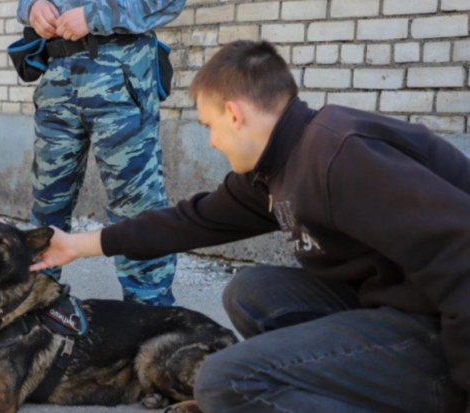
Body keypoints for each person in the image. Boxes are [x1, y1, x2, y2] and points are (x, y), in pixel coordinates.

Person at [31, 40, 469, 413]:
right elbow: (190, 221)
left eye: (210, 126)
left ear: (235, 114)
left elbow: (462, 256)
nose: (212, 142)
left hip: (440, 330)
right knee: (252, 290)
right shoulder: (277, 166)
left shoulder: (338, 156)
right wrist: (78, 246)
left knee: (227, 381)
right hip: (397, 307)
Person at [15, 0, 185, 307]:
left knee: (136, 207)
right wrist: (32, 8)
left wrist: (94, 16)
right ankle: (34, 316)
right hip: (56, 76)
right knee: (46, 207)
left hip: (120, 72)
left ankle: (151, 323)